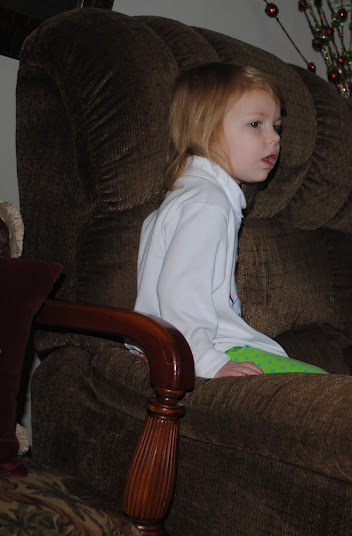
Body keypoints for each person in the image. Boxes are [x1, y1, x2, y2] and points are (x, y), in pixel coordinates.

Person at [132, 62, 326, 379]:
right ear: (204, 129)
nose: (274, 138)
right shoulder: (208, 203)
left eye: (276, 127)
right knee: (324, 389)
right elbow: (181, 294)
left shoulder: (191, 196)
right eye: (255, 124)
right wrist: (207, 362)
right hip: (203, 349)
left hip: (174, 347)